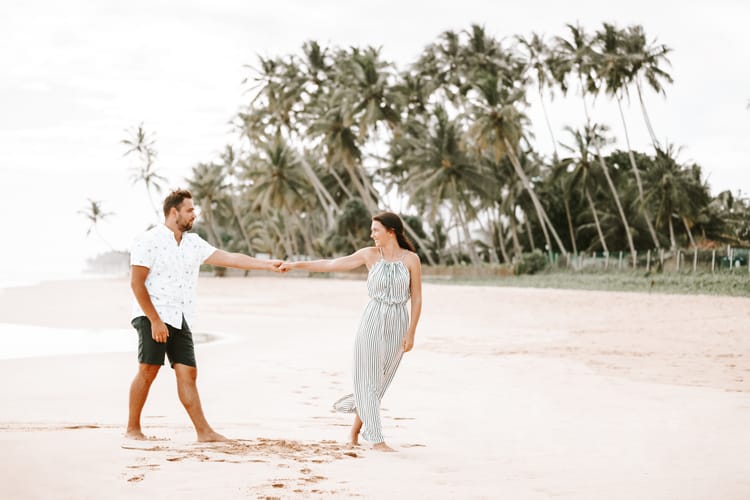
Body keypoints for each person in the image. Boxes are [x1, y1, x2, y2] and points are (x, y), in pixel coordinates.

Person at [127, 188, 283, 442]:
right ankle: (132, 429)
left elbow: (230, 258)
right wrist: (154, 320)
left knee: (188, 372)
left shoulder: (193, 243)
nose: (194, 215)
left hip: (180, 315)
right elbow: (137, 283)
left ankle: (204, 432)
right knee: (148, 369)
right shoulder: (148, 240)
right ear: (174, 212)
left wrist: (267, 264)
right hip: (152, 315)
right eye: (189, 210)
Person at [280, 212, 422, 452]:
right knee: (367, 380)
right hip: (372, 320)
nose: (371, 234)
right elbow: (330, 264)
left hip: (398, 323)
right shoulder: (369, 255)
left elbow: (417, 298)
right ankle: (376, 440)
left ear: (391, 231)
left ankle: (354, 431)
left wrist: (412, 332)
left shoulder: (411, 260)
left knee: (379, 383)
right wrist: (295, 265)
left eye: (375, 230)